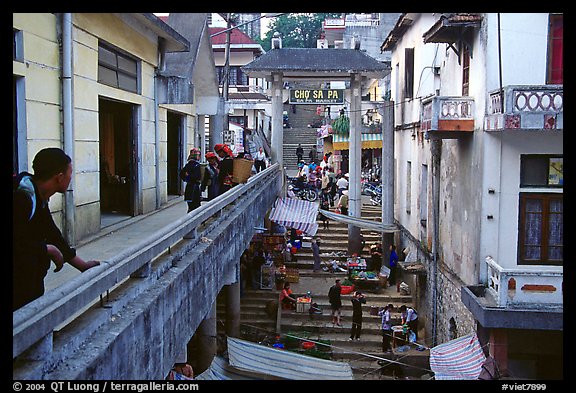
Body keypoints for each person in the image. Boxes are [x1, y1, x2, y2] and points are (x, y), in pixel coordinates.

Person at [13, 147, 100, 311]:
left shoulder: (37, 194)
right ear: (59, 177)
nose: (70, 178)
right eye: (70, 173)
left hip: (30, 280)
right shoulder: (22, 199)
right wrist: (47, 250)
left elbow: (52, 234)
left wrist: (82, 265)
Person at [181, 148, 202, 213]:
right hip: (195, 188)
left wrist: (187, 177)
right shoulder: (197, 165)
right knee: (196, 205)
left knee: (190, 205)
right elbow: (197, 177)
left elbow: (182, 175)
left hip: (189, 187)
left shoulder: (187, 165)